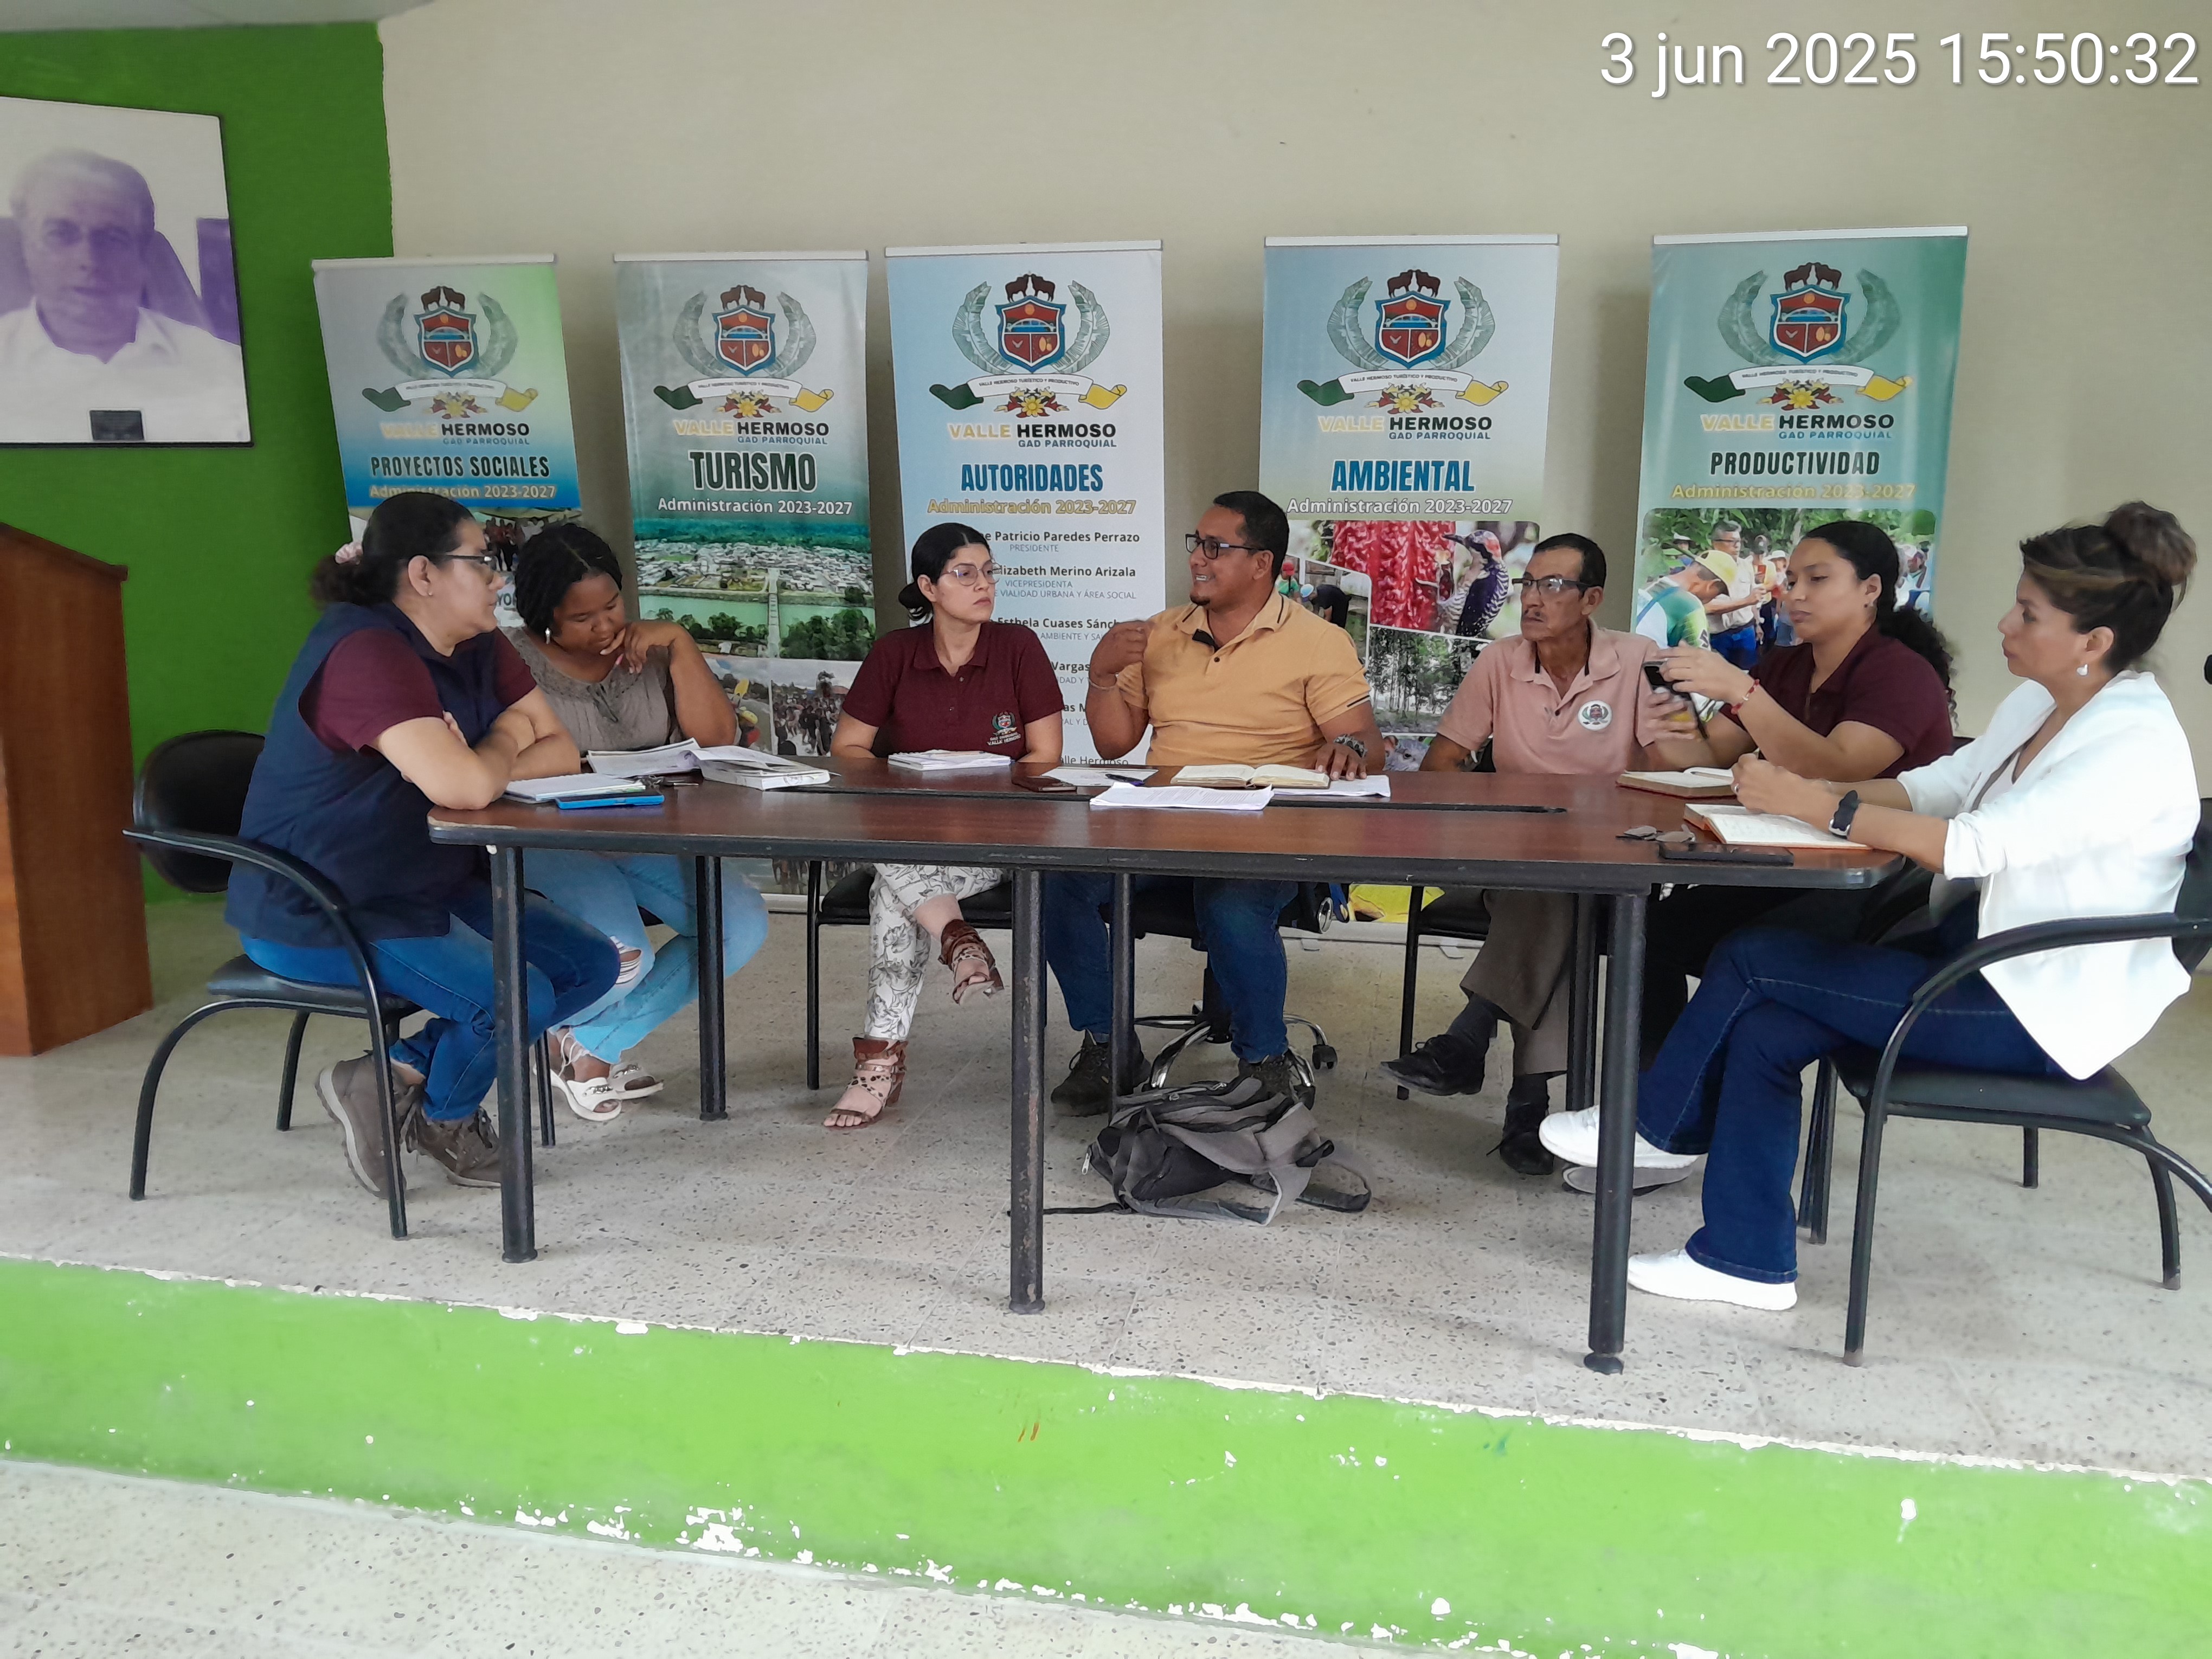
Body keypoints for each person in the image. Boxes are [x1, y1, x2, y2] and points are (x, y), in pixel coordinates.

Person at [1539, 503, 2200, 1309]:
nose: (2005, 623)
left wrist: (1823, 808)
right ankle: (1744, 1261)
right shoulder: (2045, 702)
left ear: (2093, 642)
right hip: (1977, 954)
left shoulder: (2129, 742)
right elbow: (1942, 786)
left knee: (1753, 957)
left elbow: (1973, 845)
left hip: (2035, 1006)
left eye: (2028, 614)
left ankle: (1655, 1128)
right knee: (1767, 1028)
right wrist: (1812, 793)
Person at [226, 493, 619, 1199]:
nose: (499, 579)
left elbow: (560, 751)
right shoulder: (365, 652)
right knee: (516, 996)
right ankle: (447, 1116)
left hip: (427, 884)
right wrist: (500, 745)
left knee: (590, 965)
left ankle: (391, 1074)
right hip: (327, 904)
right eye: (482, 562)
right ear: (423, 574)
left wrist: (486, 751)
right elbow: (464, 787)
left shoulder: (479, 642)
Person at [1049, 490, 1384, 1113]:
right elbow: (1115, 742)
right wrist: (1100, 676)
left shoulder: (1317, 641)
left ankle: (1265, 1060)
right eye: (1196, 544)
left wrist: (1348, 747)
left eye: (1215, 547)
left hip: (1267, 832)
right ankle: (1109, 1045)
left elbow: (1364, 739)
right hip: (1166, 826)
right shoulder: (1160, 633)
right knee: (1060, 880)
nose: (1197, 559)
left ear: (1261, 564)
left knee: (1231, 903)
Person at [1381, 534, 1706, 1172]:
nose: (1533, 598)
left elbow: (1680, 770)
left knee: (1558, 897)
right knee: (1550, 892)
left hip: (1614, 863)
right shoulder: (1500, 660)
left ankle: (1482, 1049)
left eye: (1553, 585)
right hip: (1517, 859)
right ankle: (1521, 1100)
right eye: (1529, 583)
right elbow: (1443, 763)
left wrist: (1680, 719)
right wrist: (1476, 820)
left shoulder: (1640, 660)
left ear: (1592, 599)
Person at [1636, 520, 1957, 1059]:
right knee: (1649, 930)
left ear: (1870, 590)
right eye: (1791, 581)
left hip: (1873, 882)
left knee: (1742, 950)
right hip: (1790, 862)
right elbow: (1709, 754)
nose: (1795, 594)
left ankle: (1680, 1091)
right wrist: (1667, 718)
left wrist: (1742, 690)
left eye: (1817, 579)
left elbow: (1836, 771)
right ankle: (1651, 1085)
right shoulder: (1786, 664)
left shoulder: (1901, 673)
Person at [503, 525, 770, 1121]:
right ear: (543, 615)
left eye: (612, 606)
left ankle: (589, 1045)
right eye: (582, 618)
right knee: (625, 957)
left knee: (741, 924)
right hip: (552, 839)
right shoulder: (511, 662)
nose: (604, 627)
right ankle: (570, 1040)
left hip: (646, 832)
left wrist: (680, 643)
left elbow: (717, 739)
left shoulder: (650, 650)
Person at [825, 524, 1063, 1128]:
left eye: (989, 571)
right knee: (896, 876)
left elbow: (1045, 755)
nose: (984, 584)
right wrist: (906, 779)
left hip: (997, 836)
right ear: (929, 587)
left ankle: (879, 1063)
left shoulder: (1018, 647)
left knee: (892, 892)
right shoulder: (894, 654)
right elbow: (848, 749)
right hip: (912, 830)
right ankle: (958, 941)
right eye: (965, 573)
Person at [0, 150, 249, 443]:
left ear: (143, 254)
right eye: (60, 235)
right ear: (26, 248)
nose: (89, 260)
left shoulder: (229, 369)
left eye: (113, 239)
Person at [1632, 551, 1731, 650]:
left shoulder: (1648, 585)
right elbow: (1701, 656)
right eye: (1718, 594)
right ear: (1712, 585)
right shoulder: (1692, 607)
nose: (1713, 599)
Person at [1699, 522, 1763, 668]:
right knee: (1716, 676)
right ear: (1716, 544)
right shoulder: (1704, 569)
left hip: (1745, 631)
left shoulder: (1746, 566)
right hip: (1718, 635)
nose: (1737, 546)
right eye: (1732, 541)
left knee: (1747, 675)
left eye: (1739, 541)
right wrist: (1747, 601)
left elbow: (1753, 598)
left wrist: (1758, 624)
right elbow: (1708, 607)